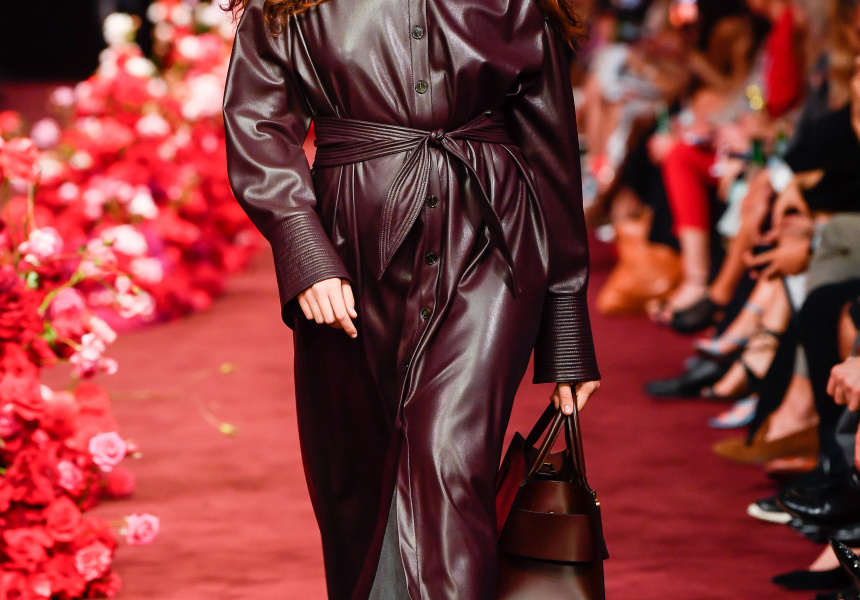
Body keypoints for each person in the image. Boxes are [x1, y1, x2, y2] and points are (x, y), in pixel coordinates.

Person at [221, 0, 602, 598]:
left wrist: (566, 324)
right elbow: (257, 122)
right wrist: (304, 250)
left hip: (492, 245)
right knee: (358, 483)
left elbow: (550, 150)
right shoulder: (290, 5)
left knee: (450, 460)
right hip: (349, 252)